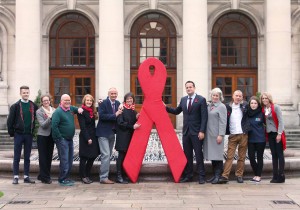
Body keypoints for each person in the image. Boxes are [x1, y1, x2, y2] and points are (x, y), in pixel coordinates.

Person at [166, 81, 208, 184]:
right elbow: (176, 111)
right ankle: (189, 175)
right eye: (187, 87)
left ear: (194, 88)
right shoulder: (183, 100)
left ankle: (201, 176)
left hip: (197, 132)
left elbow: (204, 117)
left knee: (198, 155)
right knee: (187, 155)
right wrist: (165, 107)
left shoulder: (201, 100)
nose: (189, 89)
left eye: (190, 87)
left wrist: (202, 131)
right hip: (186, 132)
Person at [7, 86, 38, 184]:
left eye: (27, 92)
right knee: (16, 156)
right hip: (19, 134)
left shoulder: (33, 105)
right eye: (24, 92)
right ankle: (15, 177)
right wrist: (12, 133)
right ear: (20, 93)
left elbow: (37, 118)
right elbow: (10, 121)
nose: (26, 94)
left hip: (29, 135)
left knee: (27, 157)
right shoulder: (15, 106)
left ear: (29, 93)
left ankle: (26, 176)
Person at [218, 90, 250, 184]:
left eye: (240, 96)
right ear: (233, 96)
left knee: (242, 157)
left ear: (242, 97)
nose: (238, 97)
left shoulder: (245, 106)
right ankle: (225, 176)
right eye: (236, 95)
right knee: (229, 156)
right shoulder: (227, 106)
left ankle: (239, 175)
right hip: (232, 135)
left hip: (243, 134)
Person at [52, 94, 83, 186]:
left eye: (69, 100)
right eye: (65, 100)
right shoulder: (58, 112)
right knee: (64, 160)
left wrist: (79, 109)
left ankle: (66, 177)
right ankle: (62, 179)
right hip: (62, 140)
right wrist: (60, 137)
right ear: (61, 101)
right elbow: (54, 126)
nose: (67, 102)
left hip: (69, 139)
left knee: (69, 159)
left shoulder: (70, 109)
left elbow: (75, 108)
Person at [96, 87, 123, 184]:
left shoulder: (118, 103)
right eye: (112, 93)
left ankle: (105, 175)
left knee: (108, 155)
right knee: (106, 154)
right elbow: (102, 116)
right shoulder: (102, 103)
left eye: (115, 93)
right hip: (103, 133)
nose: (114, 95)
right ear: (108, 94)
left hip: (112, 133)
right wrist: (115, 115)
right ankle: (103, 177)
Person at [115, 92, 140, 184]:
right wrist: (132, 126)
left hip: (130, 137)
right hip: (122, 137)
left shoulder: (133, 110)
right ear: (125, 100)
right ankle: (118, 176)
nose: (129, 100)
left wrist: (137, 118)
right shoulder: (121, 109)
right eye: (128, 99)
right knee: (121, 156)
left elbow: (134, 122)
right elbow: (120, 123)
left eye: (131, 99)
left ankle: (124, 175)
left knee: (126, 157)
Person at [203, 88, 227, 184]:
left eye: (217, 95)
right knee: (213, 156)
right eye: (213, 95)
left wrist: (221, 135)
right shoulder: (209, 106)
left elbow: (223, 122)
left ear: (220, 96)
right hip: (209, 136)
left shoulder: (222, 106)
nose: (215, 97)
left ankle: (218, 176)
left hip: (217, 135)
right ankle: (214, 176)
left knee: (218, 156)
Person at [261, 92, 285, 183]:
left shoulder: (276, 107)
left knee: (280, 154)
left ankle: (281, 175)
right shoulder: (263, 109)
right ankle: (275, 176)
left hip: (277, 133)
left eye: (266, 98)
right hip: (270, 134)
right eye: (263, 98)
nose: (264, 100)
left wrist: (279, 134)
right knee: (273, 155)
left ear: (269, 98)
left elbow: (281, 121)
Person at [77, 94, 100, 184]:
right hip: (85, 136)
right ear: (84, 101)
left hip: (93, 135)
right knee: (84, 157)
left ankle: (87, 174)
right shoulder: (81, 111)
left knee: (93, 155)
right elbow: (83, 127)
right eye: (87, 100)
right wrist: (88, 138)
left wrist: (100, 104)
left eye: (90, 101)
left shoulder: (92, 111)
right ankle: (83, 176)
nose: (89, 102)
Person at [36, 94, 55, 184]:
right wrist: (50, 117)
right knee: (43, 157)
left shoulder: (54, 110)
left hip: (51, 136)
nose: (46, 102)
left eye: (47, 100)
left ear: (50, 101)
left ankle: (42, 175)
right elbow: (43, 125)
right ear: (42, 102)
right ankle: (45, 178)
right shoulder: (39, 111)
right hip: (42, 136)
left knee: (49, 156)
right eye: (44, 101)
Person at [247, 96, 266, 183]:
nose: (253, 105)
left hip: (260, 139)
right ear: (249, 104)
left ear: (258, 104)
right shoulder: (247, 113)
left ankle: (258, 175)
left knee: (259, 158)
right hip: (250, 139)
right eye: (252, 103)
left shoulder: (262, 113)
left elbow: (268, 123)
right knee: (251, 157)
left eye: (255, 103)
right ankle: (256, 174)